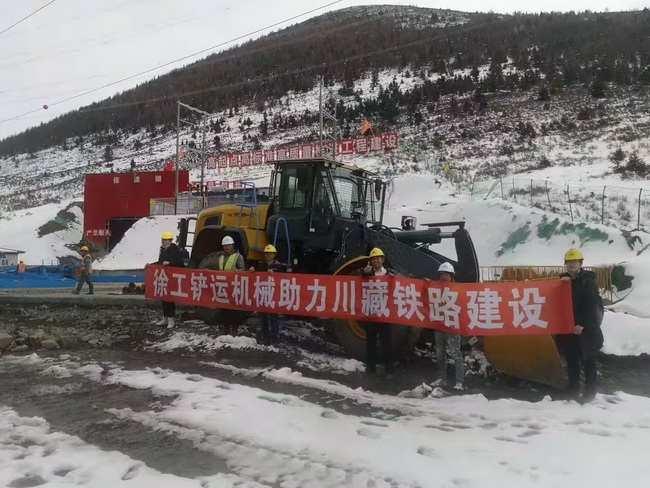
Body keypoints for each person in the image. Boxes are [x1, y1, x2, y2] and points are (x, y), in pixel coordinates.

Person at [558, 248, 604, 403]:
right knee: (572, 361)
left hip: (586, 330)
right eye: (569, 262)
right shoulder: (563, 281)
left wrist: (581, 324)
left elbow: (591, 305)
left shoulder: (588, 281)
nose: (571, 264)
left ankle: (589, 394)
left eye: (574, 261)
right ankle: (572, 391)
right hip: (569, 329)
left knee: (588, 361)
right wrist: (563, 282)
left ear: (580, 263)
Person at [362, 248, 396, 375]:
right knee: (370, 342)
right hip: (371, 313)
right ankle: (371, 368)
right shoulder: (367, 273)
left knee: (386, 342)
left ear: (382, 259)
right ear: (370, 261)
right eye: (373, 259)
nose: (376, 260)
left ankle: (389, 369)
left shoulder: (389, 274)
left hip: (384, 313)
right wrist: (364, 273)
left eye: (378, 258)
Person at [431, 262, 464, 390]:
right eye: (442, 273)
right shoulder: (435, 288)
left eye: (446, 273)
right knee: (440, 354)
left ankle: (459, 381)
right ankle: (442, 379)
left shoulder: (457, 289)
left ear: (451, 275)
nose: (444, 276)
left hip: (452, 327)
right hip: (439, 325)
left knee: (456, 354)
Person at [250, 244, 284, 345]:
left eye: (270, 254)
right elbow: (256, 273)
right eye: (267, 254)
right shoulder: (262, 265)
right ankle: (265, 337)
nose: (268, 255)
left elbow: (283, 275)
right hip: (263, 295)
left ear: (274, 254)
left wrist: (275, 272)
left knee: (273, 317)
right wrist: (252, 270)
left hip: (273, 296)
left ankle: (274, 338)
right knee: (263, 317)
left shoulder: (278, 266)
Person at [155, 231, 185, 329]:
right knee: (163, 298)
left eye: (165, 240)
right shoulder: (162, 250)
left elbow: (180, 264)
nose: (163, 242)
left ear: (170, 241)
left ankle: (171, 319)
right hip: (164, 278)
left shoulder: (175, 250)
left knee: (169, 299)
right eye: (162, 240)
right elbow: (160, 262)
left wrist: (170, 263)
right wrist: (150, 265)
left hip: (171, 279)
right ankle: (165, 318)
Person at [217, 235, 246, 335]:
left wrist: (235, 272)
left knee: (234, 309)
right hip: (223, 287)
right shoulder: (221, 257)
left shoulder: (238, 257)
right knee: (224, 308)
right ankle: (225, 327)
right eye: (225, 245)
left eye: (228, 245)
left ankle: (234, 327)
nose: (227, 247)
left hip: (234, 287)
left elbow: (242, 270)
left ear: (232, 245)